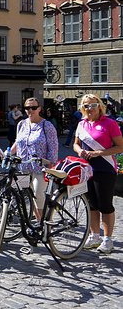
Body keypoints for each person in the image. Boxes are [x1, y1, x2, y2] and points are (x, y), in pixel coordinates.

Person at [73, 94, 123, 254]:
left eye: (93, 105)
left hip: (105, 169)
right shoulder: (81, 124)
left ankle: (108, 240)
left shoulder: (110, 123)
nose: (89, 109)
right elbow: (75, 144)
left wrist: (98, 153)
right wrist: (80, 151)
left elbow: (120, 147)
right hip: (86, 170)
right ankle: (95, 236)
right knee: (91, 205)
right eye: (86, 106)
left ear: (99, 106)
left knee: (105, 205)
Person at [10, 97, 59, 220]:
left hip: (40, 168)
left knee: (38, 194)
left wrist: (50, 166)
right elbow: (18, 142)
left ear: (39, 109)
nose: (30, 110)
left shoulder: (47, 125)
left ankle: (42, 223)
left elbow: (53, 147)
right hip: (24, 166)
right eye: (27, 108)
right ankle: (36, 221)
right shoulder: (21, 124)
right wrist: (8, 154)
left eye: (33, 108)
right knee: (26, 194)